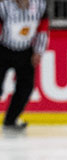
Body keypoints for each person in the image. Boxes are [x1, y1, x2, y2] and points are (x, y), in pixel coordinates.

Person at [0, 0, 49, 134]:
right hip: (3, 49)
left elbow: (43, 29)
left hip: (26, 51)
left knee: (26, 88)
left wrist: (38, 52)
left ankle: (11, 120)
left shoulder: (40, 5)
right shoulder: (3, 6)